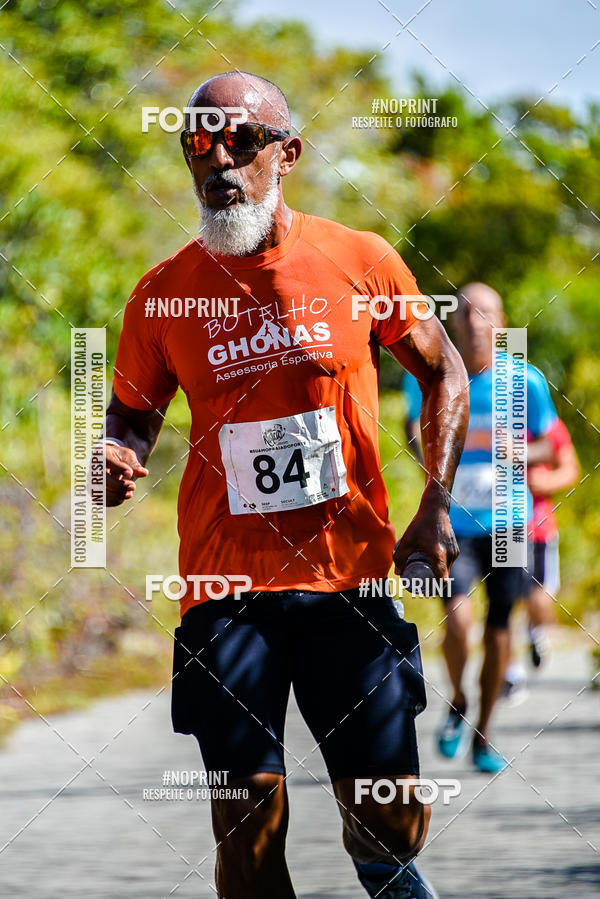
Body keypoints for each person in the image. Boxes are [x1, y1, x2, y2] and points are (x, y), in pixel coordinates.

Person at [103, 71, 469, 899]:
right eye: (199, 142)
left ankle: (382, 863)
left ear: (288, 155)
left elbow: (443, 372)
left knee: (390, 817)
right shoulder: (163, 295)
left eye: (242, 141)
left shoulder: (358, 258)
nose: (218, 160)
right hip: (224, 588)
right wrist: (116, 455)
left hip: (348, 576)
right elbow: (130, 415)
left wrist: (434, 505)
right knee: (245, 826)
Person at [402, 283, 557, 773]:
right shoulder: (431, 373)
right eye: (465, 312)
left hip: (511, 521)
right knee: (459, 617)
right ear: (451, 322)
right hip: (455, 520)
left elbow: (550, 448)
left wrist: (516, 452)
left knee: (497, 630)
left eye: (484, 313)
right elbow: (413, 433)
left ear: (502, 320)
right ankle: (459, 702)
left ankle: (485, 731)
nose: (473, 322)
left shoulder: (523, 379)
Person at [506, 416, 579, 688]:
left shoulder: (547, 423)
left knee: (540, 597)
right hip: (505, 525)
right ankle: (510, 671)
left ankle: (534, 630)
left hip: (539, 526)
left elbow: (570, 469)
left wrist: (547, 482)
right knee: (507, 599)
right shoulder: (491, 414)